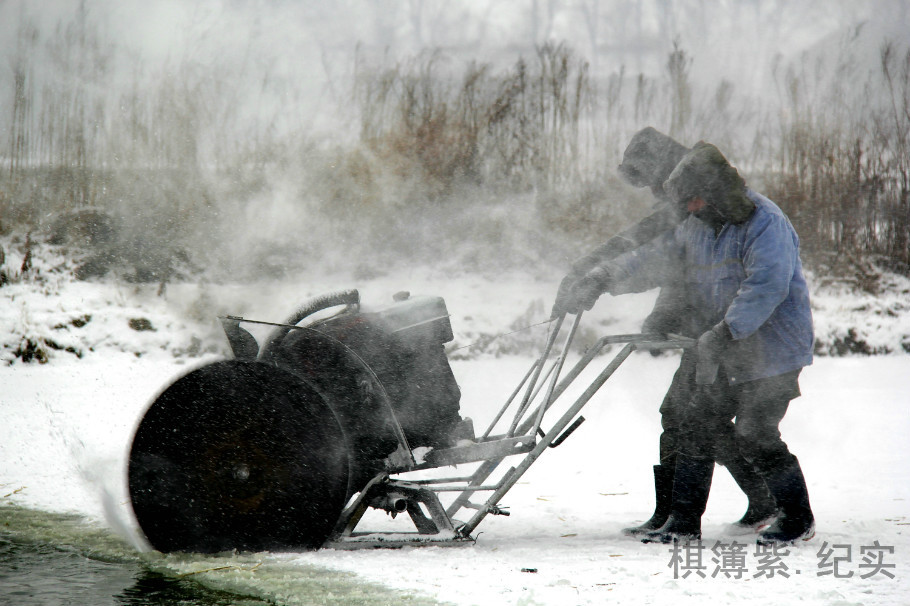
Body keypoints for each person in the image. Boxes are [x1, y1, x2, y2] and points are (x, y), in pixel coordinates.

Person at [556, 141, 815, 545]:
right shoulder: (696, 223)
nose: (690, 209)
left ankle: (797, 516)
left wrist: (725, 332)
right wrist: (601, 278)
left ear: (715, 193)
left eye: (695, 200)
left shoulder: (765, 223)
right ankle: (682, 522)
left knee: (753, 432)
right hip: (720, 347)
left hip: (772, 349)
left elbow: (766, 286)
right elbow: (653, 259)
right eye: (687, 203)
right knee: (694, 425)